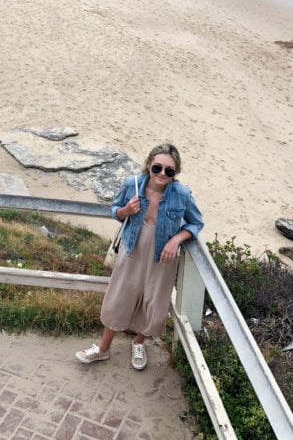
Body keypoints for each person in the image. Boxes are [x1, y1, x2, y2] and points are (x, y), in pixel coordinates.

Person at [76, 143, 203, 371]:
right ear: (148, 165)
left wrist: (176, 240)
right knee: (119, 297)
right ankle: (103, 348)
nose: (162, 174)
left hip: (162, 258)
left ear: (175, 173)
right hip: (131, 249)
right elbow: (114, 210)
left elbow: (196, 223)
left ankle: (138, 342)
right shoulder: (131, 185)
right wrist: (125, 211)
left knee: (153, 302)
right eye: (157, 168)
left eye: (169, 171)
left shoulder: (182, 195)